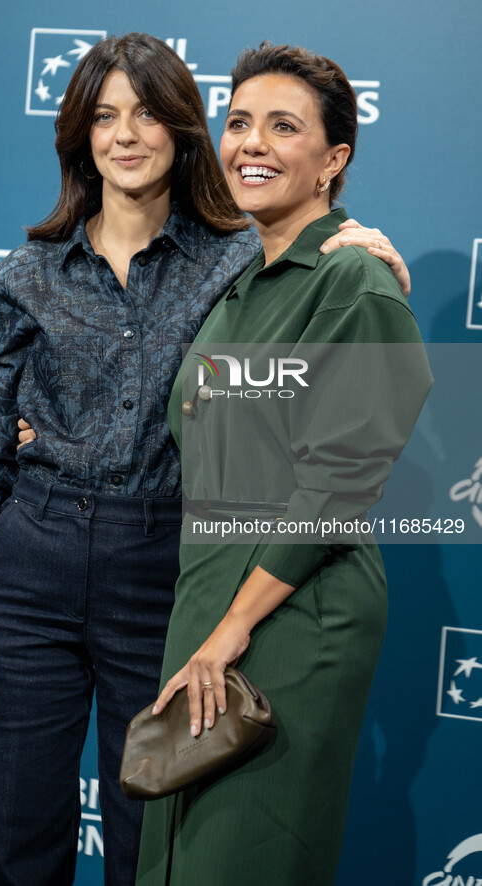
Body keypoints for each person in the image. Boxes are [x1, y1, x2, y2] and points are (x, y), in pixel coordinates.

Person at [0, 32, 412, 886]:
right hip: (30, 563)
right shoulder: (27, 272)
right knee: (9, 834)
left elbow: (317, 294)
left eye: (149, 113)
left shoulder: (236, 258)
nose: (126, 134)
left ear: (182, 131)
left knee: (150, 833)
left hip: (163, 562)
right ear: (80, 135)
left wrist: (371, 252)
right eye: (104, 116)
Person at [136, 44, 432, 886]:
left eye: (282, 127)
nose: (251, 144)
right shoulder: (244, 279)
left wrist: (231, 631)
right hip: (208, 606)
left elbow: (338, 483)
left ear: (332, 160)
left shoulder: (356, 283)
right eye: (237, 124)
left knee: (241, 856)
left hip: (290, 617)